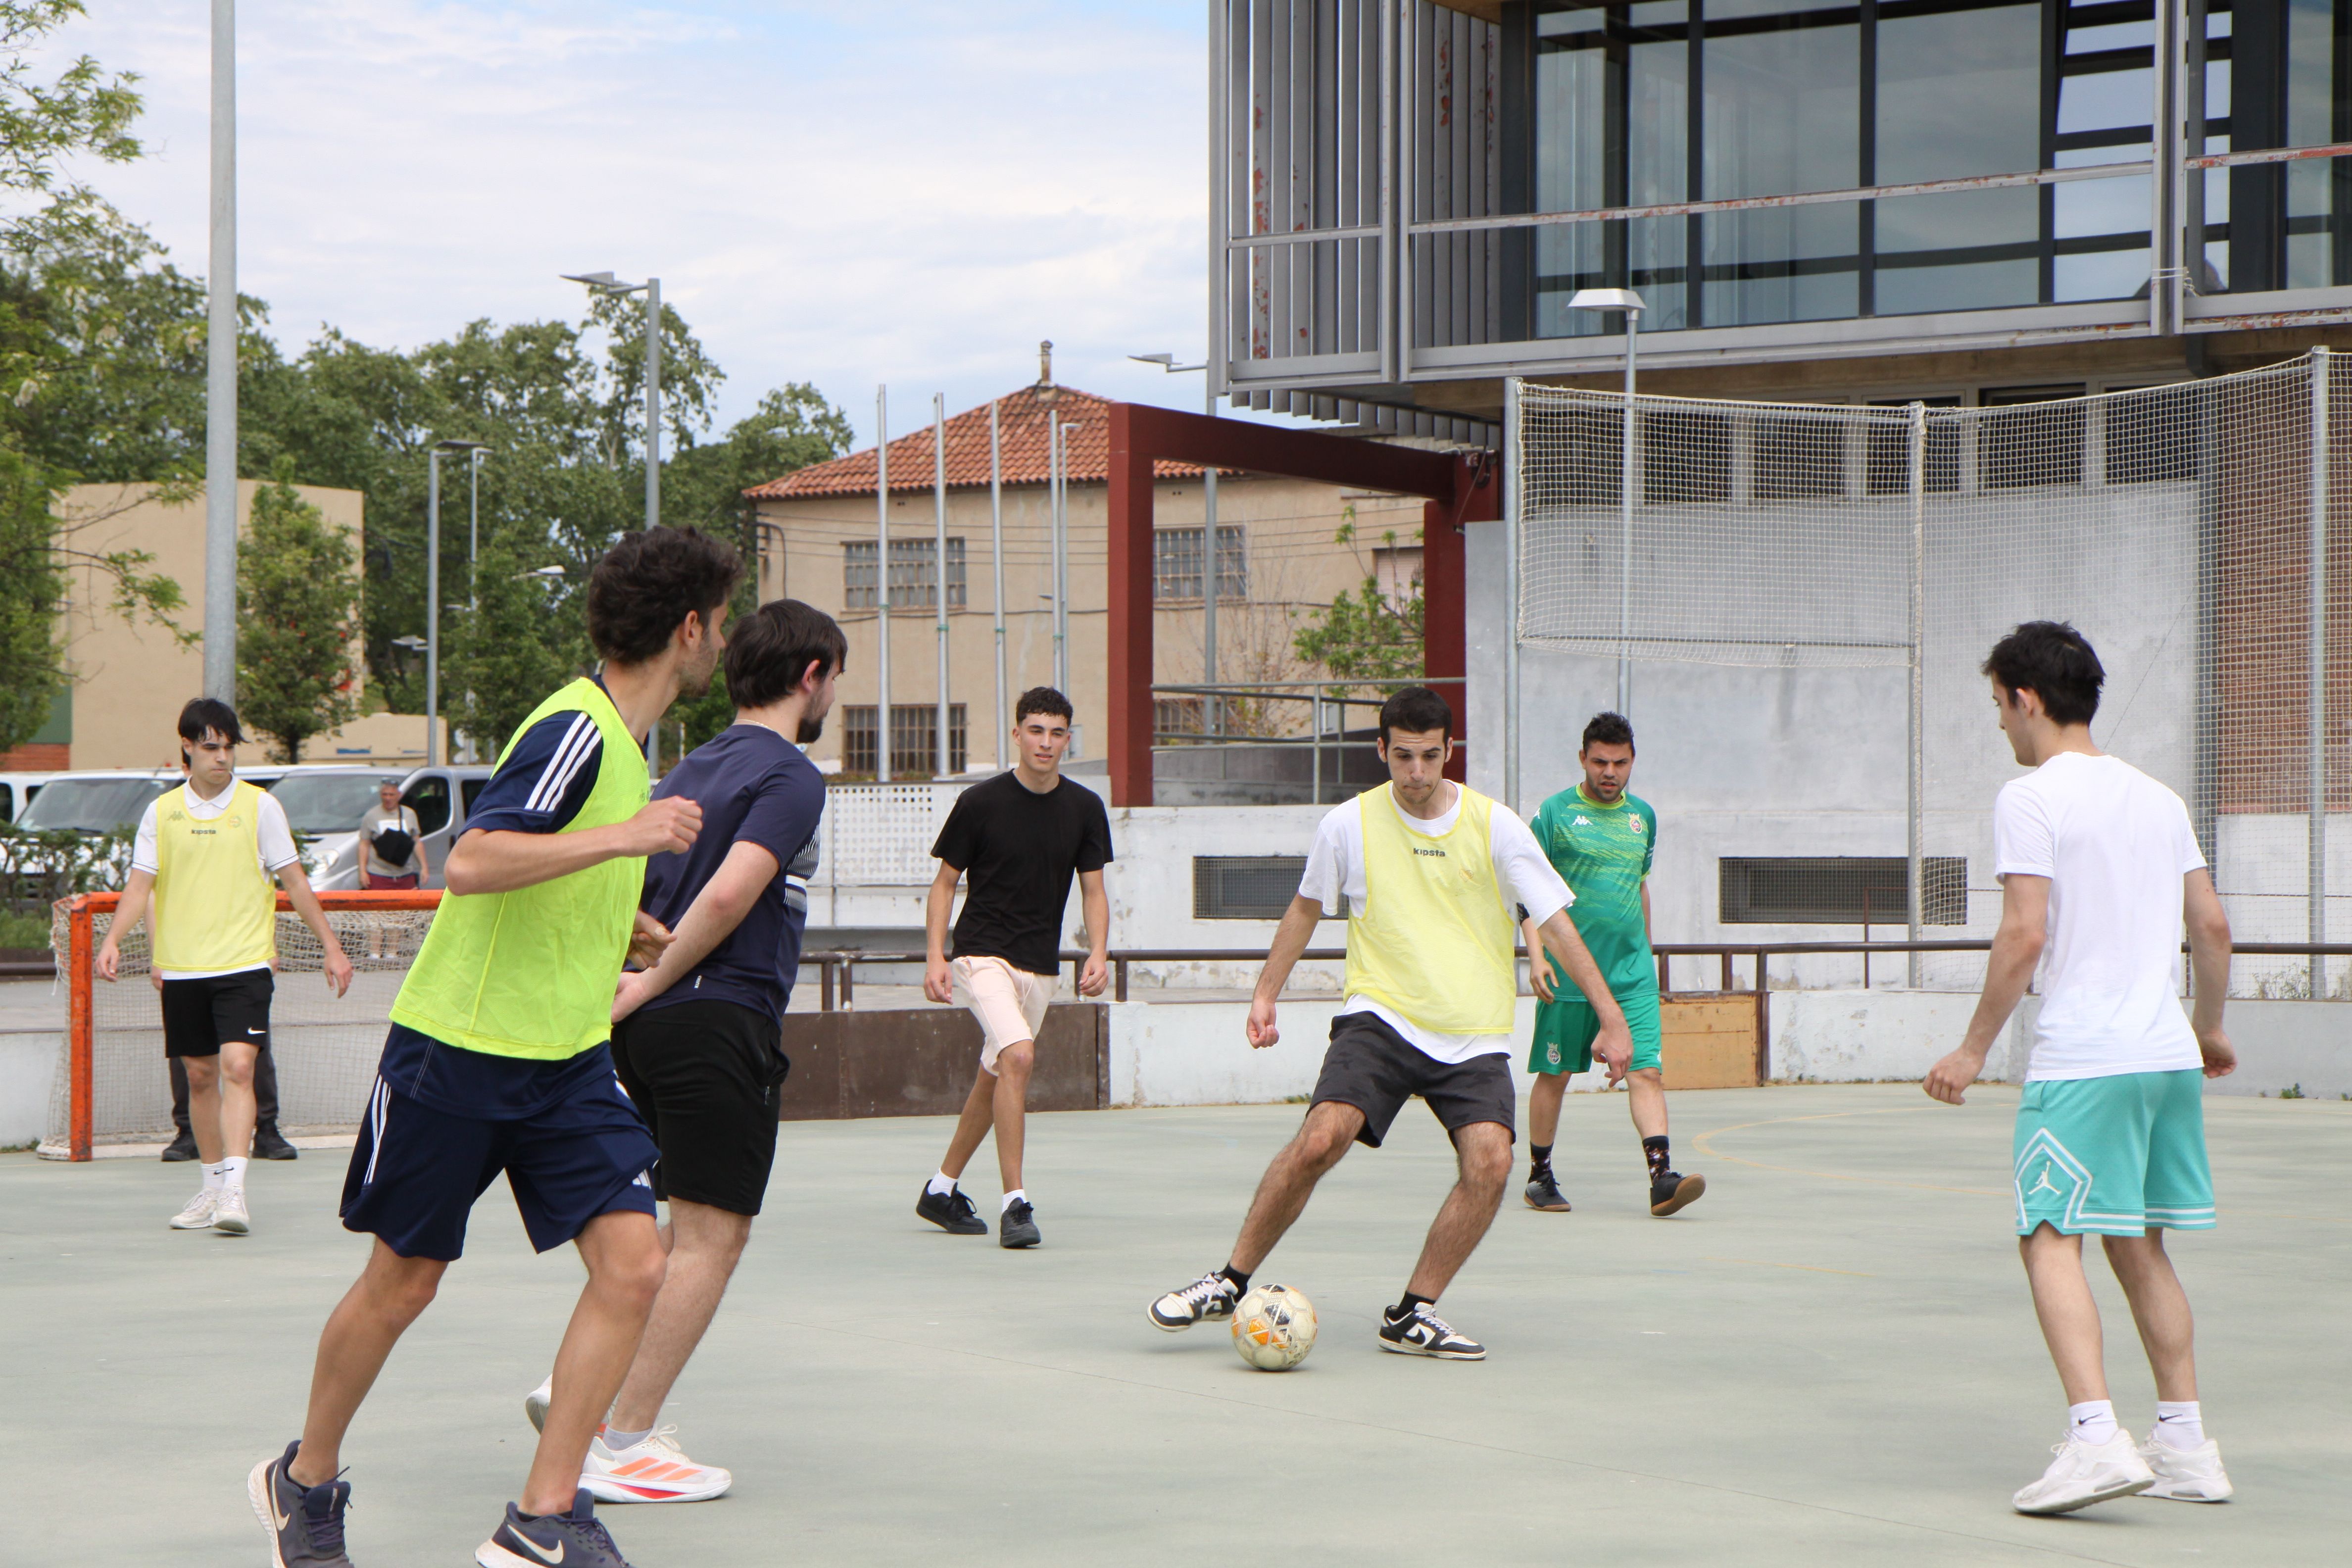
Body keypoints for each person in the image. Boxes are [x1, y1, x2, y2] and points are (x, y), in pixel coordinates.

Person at [249, 526, 738, 1568]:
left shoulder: (625, 749)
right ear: (691, 628)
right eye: (723, 623)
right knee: (404, 1283)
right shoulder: (577, 728)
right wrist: (630, 838)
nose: (724, 642)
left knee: (635, 1266)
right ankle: (303, 1480)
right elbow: (473, 859)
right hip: (458, 1051)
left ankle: (543, 1516)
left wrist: (616, 919)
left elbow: (544, 868)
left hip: (566, 1058)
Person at [1147, 687, 1631, 1361]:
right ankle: (1228, 1282)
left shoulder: (1497, 827)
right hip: (1381, 1016)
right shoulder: (1347, 824)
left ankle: (1412, 1313)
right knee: (1322, 1138)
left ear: (1449, 751)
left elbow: (1556, 923)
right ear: (1381, 751)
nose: (1416, 771)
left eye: (1429, 756)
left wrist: (1612, 1018)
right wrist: (1265, 993)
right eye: (1403, 756)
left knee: (1492, 1162)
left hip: (1472, 1032)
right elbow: (1305, 909)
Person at [520, 598, 840, 1506]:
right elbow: (732, 895)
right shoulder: (789, 773)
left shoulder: (687, 768)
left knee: (684, 1221)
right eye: (833, 680)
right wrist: (653, 982)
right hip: (714, 1015)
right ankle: (620, 1439)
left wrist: (632, 987)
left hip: (648, 1027)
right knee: (715, 1234)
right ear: (810, 676)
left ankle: (581, 1383)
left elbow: (629, 891)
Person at [1924, 621, 2237, 1517]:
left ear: (2027, 699)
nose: (1999, 723)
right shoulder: (2159, 797)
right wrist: (2208, 1030)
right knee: (2139, 1242)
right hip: (2164, 1057)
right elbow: (2212, 927)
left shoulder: (2031, 797)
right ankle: (2186, 1446)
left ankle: (2096, 1437)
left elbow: (2024, 933)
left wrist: (1972, 1048)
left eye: (1998, 705)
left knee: (2047, 1231)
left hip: (2085, 1059)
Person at [95, 698, 353, 1234]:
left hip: (245, 963)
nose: (222, 758)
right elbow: (140, 886)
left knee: (239, 1067)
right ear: (187, 748)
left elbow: (295, 881)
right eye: (211, 747)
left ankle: (235, 1190)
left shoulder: (261, 807)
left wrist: (332, 945)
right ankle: (211, 1188)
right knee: (200, 1075)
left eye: (229, 748)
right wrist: (114, 939)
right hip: (183, 967)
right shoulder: (161, 812)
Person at [915, 686, 1112, 1249]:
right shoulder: (980, 802)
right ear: (1017, 734)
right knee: (1019, 1055)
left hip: (1040, 967)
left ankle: (941, 1189)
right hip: (981, 955)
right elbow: (945, 884)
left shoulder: (1084, 808)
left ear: (1068, 740)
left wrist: (1099, 951)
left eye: (1057, 733)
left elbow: (1093, 890)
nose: (1045, 742)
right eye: (1036, 730)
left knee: (998, 1073)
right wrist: (936, 956)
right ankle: (1015, 1204)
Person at [1520, 712, 1704, 1218]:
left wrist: (1646, 951)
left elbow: (1639, 886)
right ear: (1583, 758)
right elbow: (1528, 893)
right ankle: (1539, 1175)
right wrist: (1536, 957)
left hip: (1631, 977)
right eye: (1600, 762)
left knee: (1648, 1073)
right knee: (1555, 1074)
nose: (1609, 772)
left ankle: (1662, 1179)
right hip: (1569, 977)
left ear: (1632, 761)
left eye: (1620, 763)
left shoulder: (1643, 817)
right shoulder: (1554, 814)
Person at [361, 777, 429, 888]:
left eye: (392, 795)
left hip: (405, 874)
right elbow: (364, 844)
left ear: (399, 795)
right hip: (379, 875)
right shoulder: (371, 816)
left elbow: (417, 842)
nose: (388, 798)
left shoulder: (409, 814)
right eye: (385, 795)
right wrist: (363, 871)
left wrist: (424, 868)